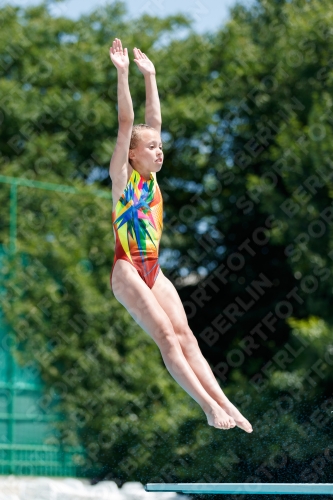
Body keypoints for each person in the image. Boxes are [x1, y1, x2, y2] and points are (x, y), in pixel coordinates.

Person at [109, 38, 252, 433]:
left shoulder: (152, 177)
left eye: (160, 147)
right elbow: (129, 124)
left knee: (187, 335)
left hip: (153, 269)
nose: (159, 151)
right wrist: (123, 75)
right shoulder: (123, 180)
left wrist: (150, 76)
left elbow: (153, 122)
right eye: (151, 148)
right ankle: (208, 408)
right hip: (126, 270)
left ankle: (226, 403)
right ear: (132, 156)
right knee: (167, 338)